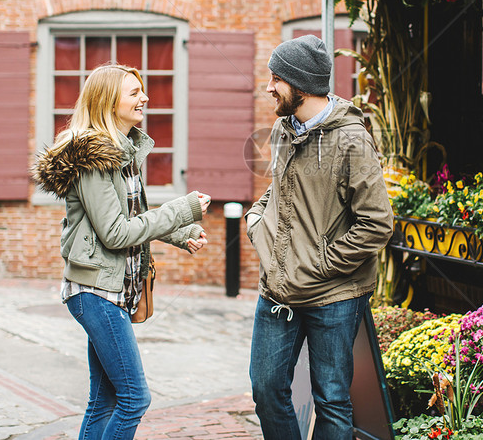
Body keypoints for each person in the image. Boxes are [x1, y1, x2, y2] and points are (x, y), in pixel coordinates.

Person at [31, 64, 210, 439]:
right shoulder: (94, 160)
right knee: (135, 398)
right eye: (134, 92)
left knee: (106, 400)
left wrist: (182, 232)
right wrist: (182, 208)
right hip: (96, 293)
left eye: (142, 90)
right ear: (108, 101)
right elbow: (115, 233)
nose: (144, 97)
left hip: (112, 291)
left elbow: (133, 217)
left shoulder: (123, 152)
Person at [245, 35, 394, 439]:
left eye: (276, 78)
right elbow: (280, 188)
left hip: (335, 293)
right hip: (279, 288)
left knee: (331, 398)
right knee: (266, 387)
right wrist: (257, 220)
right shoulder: (282, 129)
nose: (269, 86)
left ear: (301, 85)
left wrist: (321, 264)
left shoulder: (351, 140)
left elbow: (377, 223)